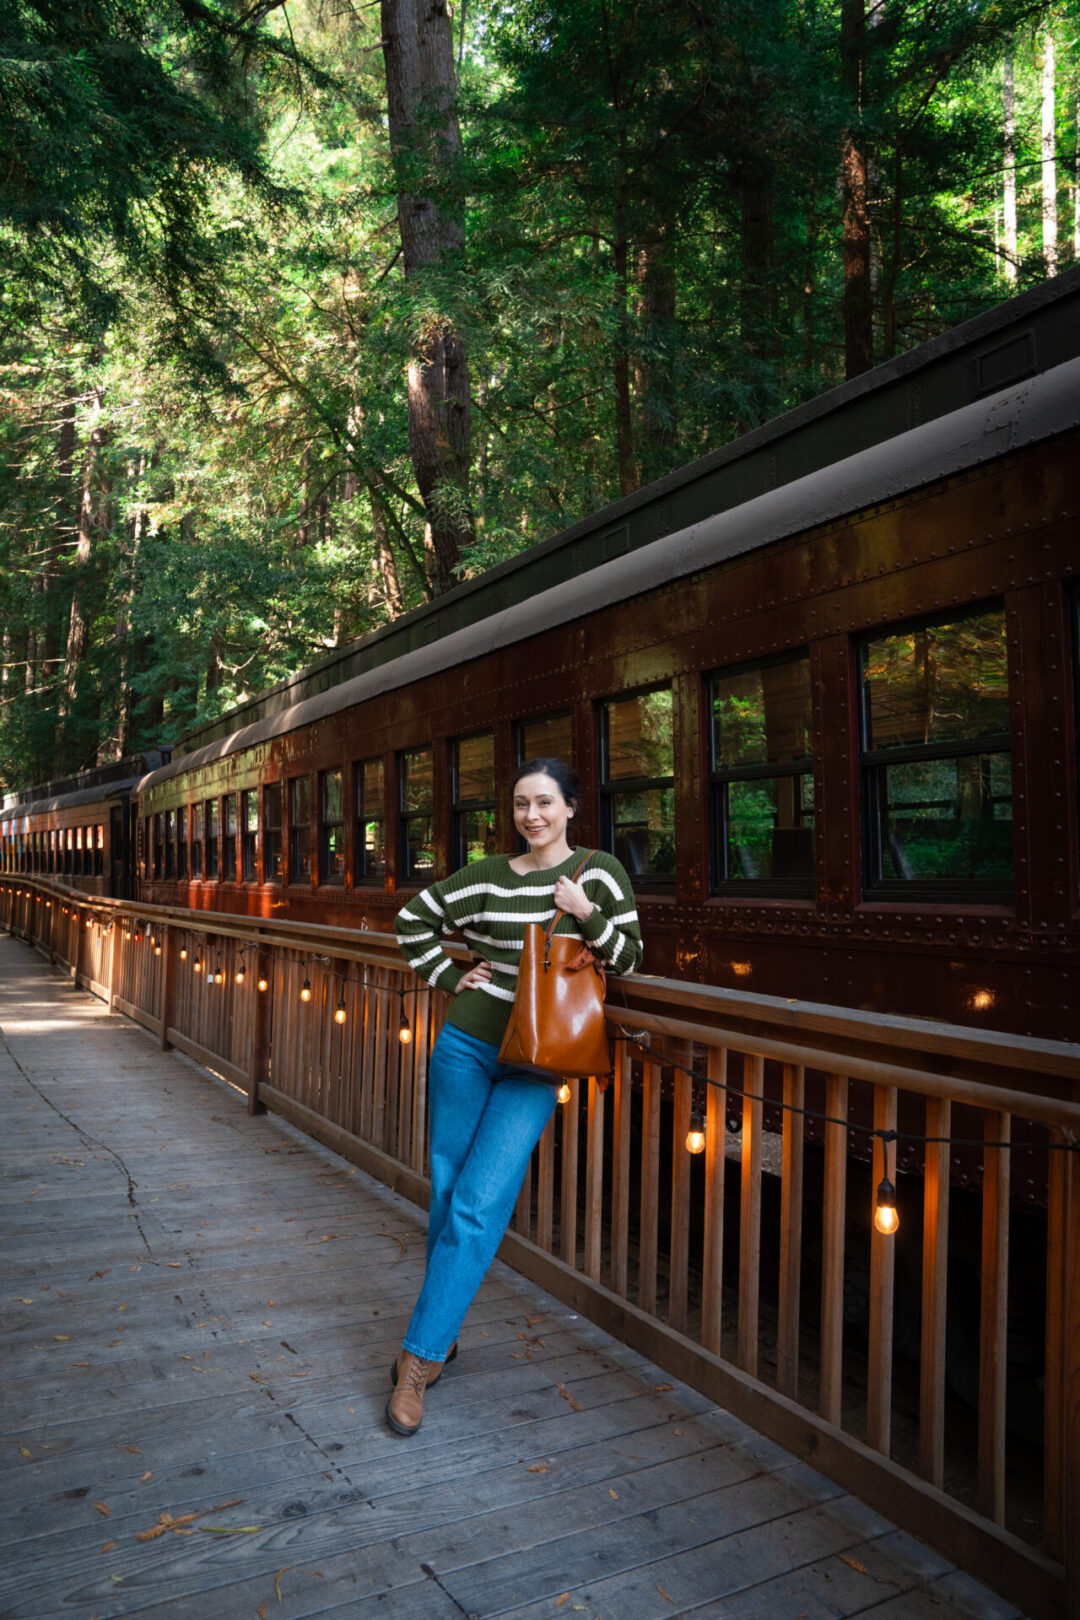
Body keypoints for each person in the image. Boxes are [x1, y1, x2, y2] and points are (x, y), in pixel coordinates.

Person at [388, 757, 642, 1435]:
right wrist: (449, 976)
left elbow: (628, 957)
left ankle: (416, 1361)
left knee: (478, 1200)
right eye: (522, 804)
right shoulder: (487, 877)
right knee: (447, 1191)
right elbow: (413, 918)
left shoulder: (599, 873)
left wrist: (585, 912)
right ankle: (440, 1336)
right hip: (467, 1048)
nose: (533, 816)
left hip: (539, 1062)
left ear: (571, 808)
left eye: (545, 803)